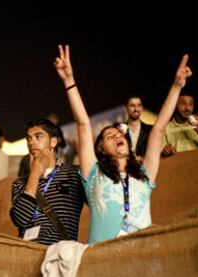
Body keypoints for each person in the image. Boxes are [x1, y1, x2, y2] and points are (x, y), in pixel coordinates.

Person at [54, 44, 192, 244]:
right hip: (100, 264)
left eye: (119, 134)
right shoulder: (93, 174)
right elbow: (83, 124)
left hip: (141, 262)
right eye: (109, 136)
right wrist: (69, 80)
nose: (116, 136)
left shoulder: (145, 175)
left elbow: (158, 129)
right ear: (100, 148)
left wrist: (177, 86)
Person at [10, 119, 86, 245]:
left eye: (38, 136)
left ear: (53, 141)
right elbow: (20, 219)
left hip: (59, 254)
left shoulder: (74, 174)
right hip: (26, 254)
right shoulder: (19, 183)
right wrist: (34, 174)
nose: (31, 142)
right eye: (28, 138)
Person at [121, 96, 153, 161]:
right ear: (126, 108)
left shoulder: (150, 130)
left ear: (142, 108)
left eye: (139, 105)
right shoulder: (119, 131)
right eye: (132, 105)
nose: (136, 109)